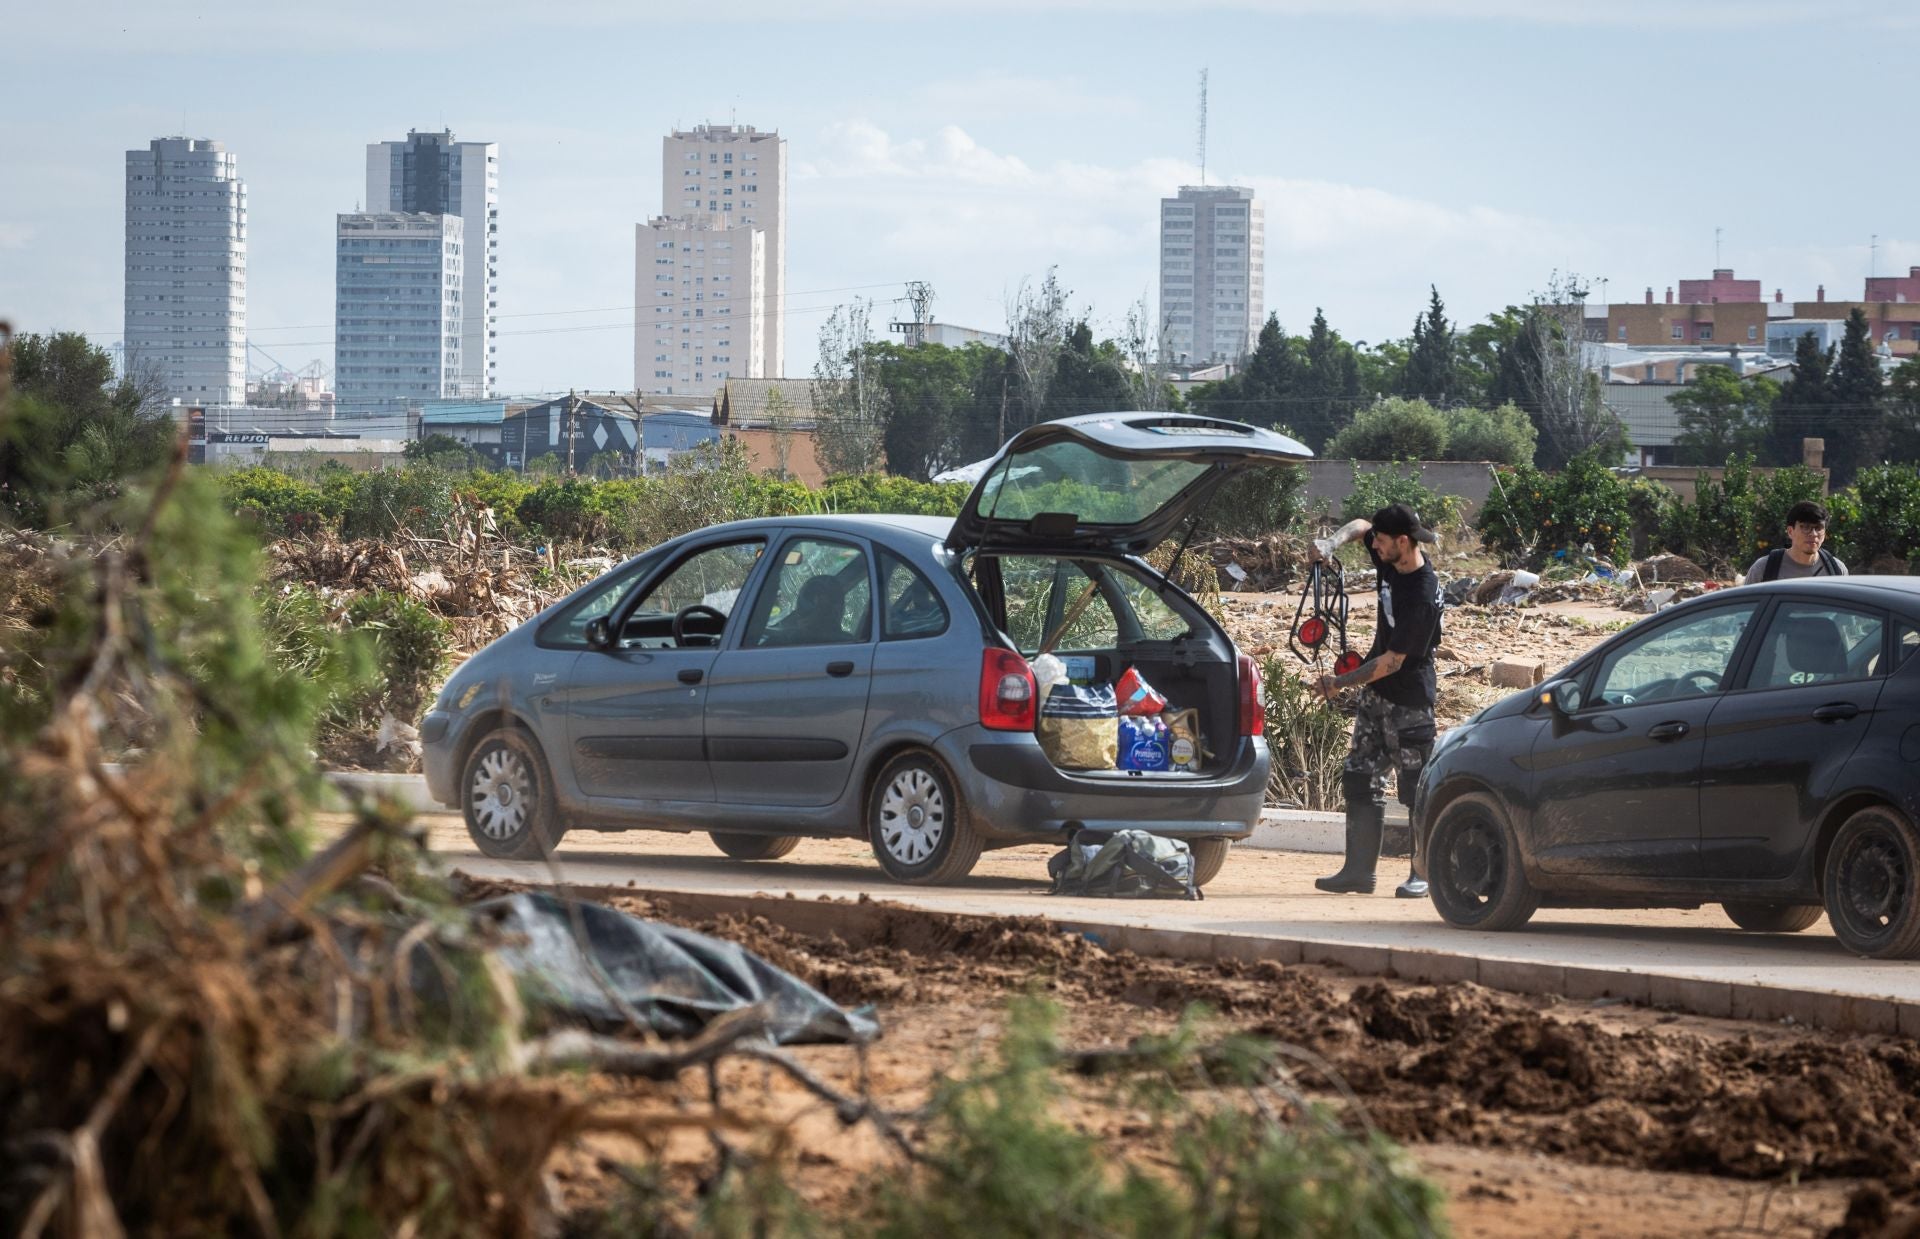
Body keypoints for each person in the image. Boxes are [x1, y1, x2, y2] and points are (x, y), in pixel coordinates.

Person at [1306, 504, 1444, 898]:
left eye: (1382, 543)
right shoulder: (1389, 554)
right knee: (1359, 778)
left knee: (1415, 789)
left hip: (1410, 700)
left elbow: (1392, 662)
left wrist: (1337, 683)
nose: (1375, 547)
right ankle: (1358, 872)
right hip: (1376, 699)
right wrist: (1330, 543)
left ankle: (1423, 873)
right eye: (1376, 543)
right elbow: (1363, 526)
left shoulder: (1421, 593)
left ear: (1403, 542)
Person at [1744, 500, 1847, 584]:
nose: (1813, 534)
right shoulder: (1764, 569)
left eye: (1818, 528)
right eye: (1806, 527)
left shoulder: (1837, 570)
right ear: (1790, 531)